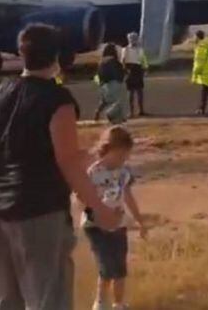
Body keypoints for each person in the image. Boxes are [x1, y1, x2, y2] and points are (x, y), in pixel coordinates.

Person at [0, 24, 122, 310]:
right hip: (37, 211)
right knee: (48, 298)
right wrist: (98, 210)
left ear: (21, 53)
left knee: (2, 300)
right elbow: (65, 161)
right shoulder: (57, 100)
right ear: (57, 56)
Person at [82, 126, 148, 310]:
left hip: (118, 224)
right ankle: (100, 303)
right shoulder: (94, 173)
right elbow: (83, 200)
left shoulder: (124, 172)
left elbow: (128, 196)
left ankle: (119, 304)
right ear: (107, 150)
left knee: (119, 266)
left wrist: (140, 221)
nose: (123, 160)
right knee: (106, 266)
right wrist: (96, 218)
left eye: (126, 156)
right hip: (95, 226)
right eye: (120, 156)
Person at [94, 43, 129, 123]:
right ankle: (112, 114)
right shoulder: (113, 61)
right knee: (117, 101)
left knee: (104, 101)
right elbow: (119, 72)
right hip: (113, 82)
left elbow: (97, 75)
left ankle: (97, 112)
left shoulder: (101, 61)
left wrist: (100, 83)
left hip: (103, 83)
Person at [120, 32, 149, 117]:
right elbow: (123, 61)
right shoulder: (125, 49)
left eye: (134, 38)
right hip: (130, 69)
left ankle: (141, 110)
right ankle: (131, 112)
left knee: (139, 91)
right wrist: (125, 70)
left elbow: (143, 60)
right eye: (131, 38)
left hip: (138, 69)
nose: (133, 40)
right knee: (131, 92)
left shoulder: (140, 49)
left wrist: (145, 68)